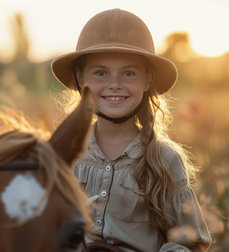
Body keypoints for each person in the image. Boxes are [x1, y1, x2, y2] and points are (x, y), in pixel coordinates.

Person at [51, 9, 211, 252]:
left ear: (147, 80)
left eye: (128, 73)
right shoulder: (62, 157)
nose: (115, 84)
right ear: (80, 77)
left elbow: (191, 242)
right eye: (101, 73)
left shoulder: (165, 161)